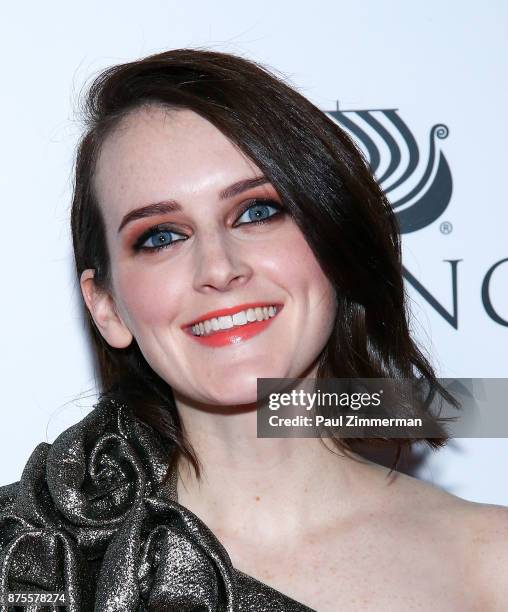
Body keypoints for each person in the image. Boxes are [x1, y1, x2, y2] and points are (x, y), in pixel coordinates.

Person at [0, 48, 506, 611]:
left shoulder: (488, 563)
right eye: (162, 236)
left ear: (335, 242)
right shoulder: (24, 560)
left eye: (257, 212)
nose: (218, 269)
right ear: (107, 308)